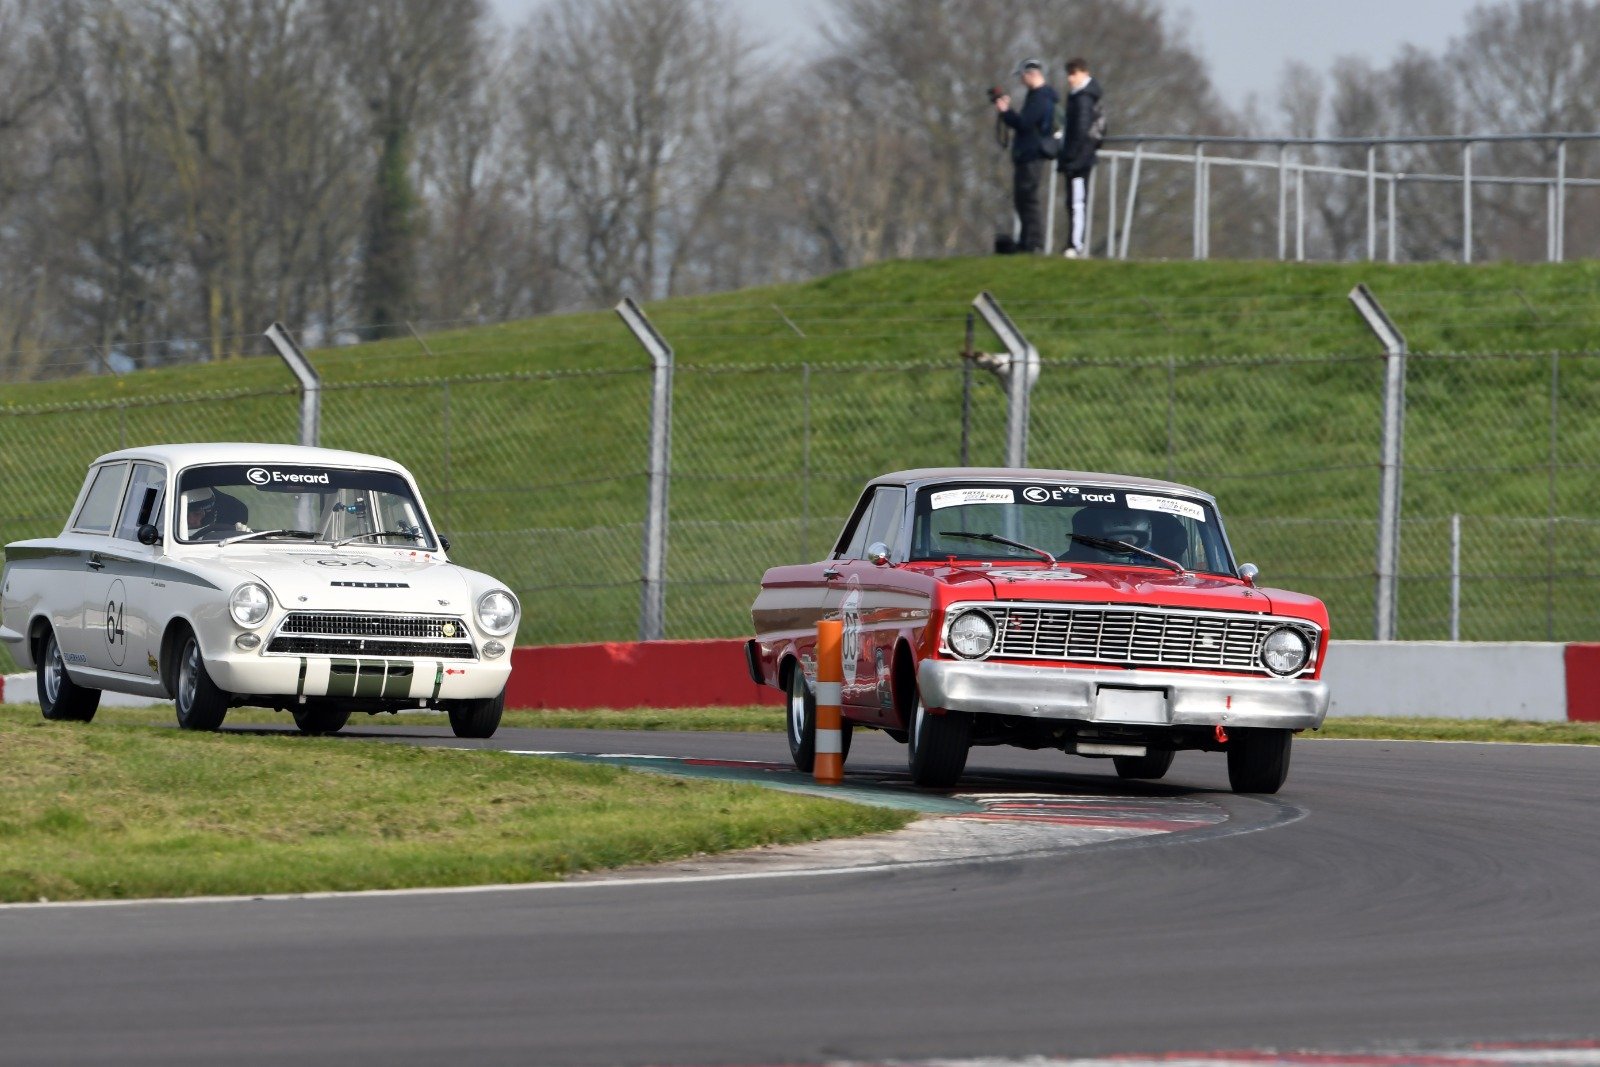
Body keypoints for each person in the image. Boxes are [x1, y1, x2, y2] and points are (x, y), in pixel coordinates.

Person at [994, 59, 1059, 254]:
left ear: (1031, 74)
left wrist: (1006, 112)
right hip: (1027, 154)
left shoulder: (1040, 97)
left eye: (1022, 76)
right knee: (1022, 199)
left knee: (1028, 199)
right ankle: (1026, 241)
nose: (1021, 81)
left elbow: (1025, 123)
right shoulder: (1038, 96)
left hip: (1031, 155)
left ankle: (1034, 243)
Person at [1057, 57, 1104, 258]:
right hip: (1077, 157)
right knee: (1073, 202)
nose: (1069, 78)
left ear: (1083, 73)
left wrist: (1071, 157)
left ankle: (1076, 244)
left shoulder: (1083, 98)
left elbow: (1081, 130)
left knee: (1077, 202)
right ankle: (1073, 242)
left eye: (1073, 74)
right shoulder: (1079, 95)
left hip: (1080, 159)